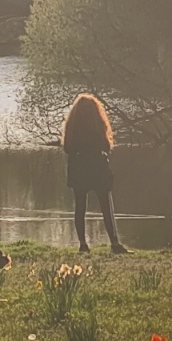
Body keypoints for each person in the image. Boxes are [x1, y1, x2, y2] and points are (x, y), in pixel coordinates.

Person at [62, 93, 130, 254]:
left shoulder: (72, 126)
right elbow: (106, 145)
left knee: (80, 207)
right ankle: (114, 243)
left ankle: (83, 244)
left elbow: (68, 148)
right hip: (97, 168)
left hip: (79, 168)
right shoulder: (98, 125)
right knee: (106, 206)